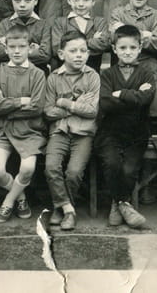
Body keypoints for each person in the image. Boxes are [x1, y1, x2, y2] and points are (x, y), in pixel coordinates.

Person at [95, 25, 155, 228]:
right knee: (112, 163)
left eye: (132, 47)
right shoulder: (107, 74)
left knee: (129, 169)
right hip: (110, 131)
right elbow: (105, 103)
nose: (127, 52)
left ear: (140, 48)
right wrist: (135, 96)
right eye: (122, 48)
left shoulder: (146, 74)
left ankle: (117, 203)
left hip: (137, 132)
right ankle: (123, 204)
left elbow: (146, 99)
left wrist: (120, 94)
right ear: (114, 49)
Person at [0, 24, 47, 223]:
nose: (17, 51)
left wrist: (6, 105)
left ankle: (8, 202)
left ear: (30, 47)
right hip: (2, 130)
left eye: (22, 46)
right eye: (12, 47)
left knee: (28, 168)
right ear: (6, 49)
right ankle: (21, 197)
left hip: (29, 130)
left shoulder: (37, 74)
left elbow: (37, 107)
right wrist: (21, 101)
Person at [44, 30, 101, 231]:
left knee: (74, 172)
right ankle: (68, 210)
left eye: (83, 51)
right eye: (73, 51)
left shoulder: (92, 76)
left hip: (84, 133)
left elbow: (92, 111)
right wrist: (76, 105)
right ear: (61, 54)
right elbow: (48, 111)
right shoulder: (53, 78)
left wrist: (64, 102)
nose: (79, 55)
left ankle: (60, 207)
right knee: (51, 167)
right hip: (59, 131)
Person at [109, 0, 157, 116]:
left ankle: (154, 123)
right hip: (122, 65)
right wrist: (146, 35)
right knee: (119, 106)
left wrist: (126, 30)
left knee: (156, 104)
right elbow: (114, 38)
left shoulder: (156, 16)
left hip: (148, 65)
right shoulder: (118, 13)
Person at [49, 0, 109, 72]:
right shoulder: (60, 23)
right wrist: (91, 41)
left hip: (91, 73)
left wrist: (70, 46)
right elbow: (57, 48)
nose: (81, 4)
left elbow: (103, 44)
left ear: (93, 1)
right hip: (66, 74)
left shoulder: (99, 22)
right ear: (69, 0)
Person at [0, 0, 51, 72]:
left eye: (27, 0)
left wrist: (11, 48)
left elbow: (45, 55)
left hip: (35, 74)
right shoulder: (4, 24)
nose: (22, 5)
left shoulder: (44, 25)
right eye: (17, 0)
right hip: (9, 73)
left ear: (36, 0)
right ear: (11, 0)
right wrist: (33, 49)